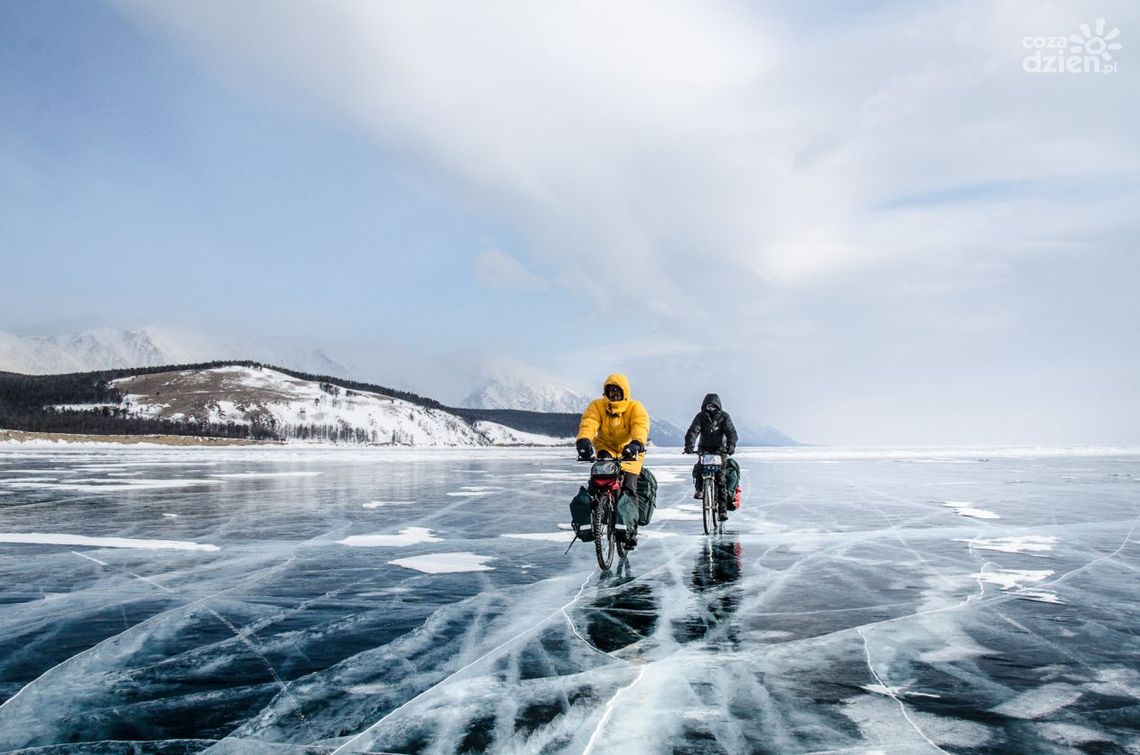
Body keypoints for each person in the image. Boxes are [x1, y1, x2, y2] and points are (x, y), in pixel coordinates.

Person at [576, 373, 650, 548]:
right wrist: (584, 440)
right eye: (610, 392)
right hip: (606, 448)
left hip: (630, 450)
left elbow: (640, 425)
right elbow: (589, 422)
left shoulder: (635, 407)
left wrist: (637, 443)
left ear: (625, 393)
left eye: (617, 392)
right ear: (605, 393)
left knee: (630, 488)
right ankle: (598, 512)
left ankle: (631, 531)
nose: (614, 395)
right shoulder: (597, 405)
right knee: (597, 481)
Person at [683, 393, 739, 521]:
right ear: (704, 406)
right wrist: (689, 445)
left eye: (713, 407)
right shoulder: (701, 417)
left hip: (720, 450)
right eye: (708, 406)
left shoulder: (724, 417)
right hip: (705, 449)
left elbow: (731, 432)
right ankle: (700, 490)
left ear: (718, 407)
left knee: (721, 480)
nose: (711, 409)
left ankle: (722, 512)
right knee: (699, 468)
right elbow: (693, 431)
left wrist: (731, 446)